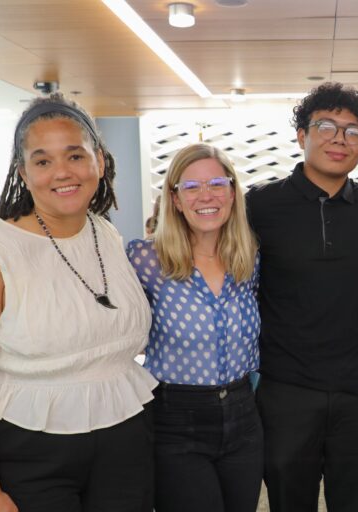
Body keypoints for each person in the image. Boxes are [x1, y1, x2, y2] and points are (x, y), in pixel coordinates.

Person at [0, 93, 156, 512]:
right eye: (43, 161)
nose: (62, 172)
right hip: (29, 450)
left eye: (75, 155)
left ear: (99, 160)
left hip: (125, 440)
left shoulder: (105, 233)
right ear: (23, 173)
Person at [246, 82, 358, 511]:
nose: (340, 139)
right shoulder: (260, 205)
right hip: (286, 390)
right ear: (301, 136)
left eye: (353, 131)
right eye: (326, 126)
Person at [127, 143, 261, 512]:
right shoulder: (146, 259)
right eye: (191, 186)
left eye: (217, 184)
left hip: (244, 417)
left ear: (232, 193)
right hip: (176, 420)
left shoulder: (249, 258)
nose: (206, 196)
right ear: (175, 199)